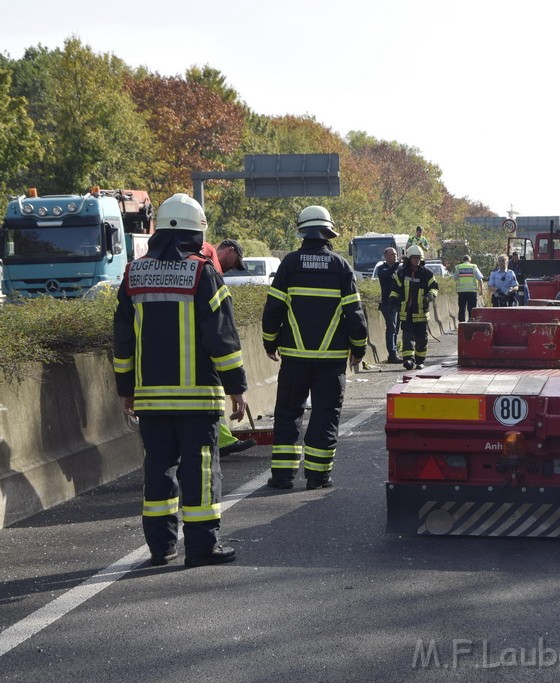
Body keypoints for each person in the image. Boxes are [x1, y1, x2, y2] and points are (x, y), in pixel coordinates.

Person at [113, 193, 247, 568]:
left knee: (158, 468)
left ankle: (161, 547)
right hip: (197, 398)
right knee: (201, 468)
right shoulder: (202, 272)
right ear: (196, 231)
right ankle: (202, 547)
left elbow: (123, 340)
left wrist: (126, 389)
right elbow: (222, 339)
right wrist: (236, 387)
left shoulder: (133, 272)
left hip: (151, 399)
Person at [262, 206, 368, 491]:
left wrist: (269, 343)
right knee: (325, 414)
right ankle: (317, 477)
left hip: (294, 359)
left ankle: (283, 477)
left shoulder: (289, 264)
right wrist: (359, 348)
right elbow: (355, 315)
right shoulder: (340, 266)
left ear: (303, 231)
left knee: (287, 413)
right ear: (328, 232)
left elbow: (273, 309)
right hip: (331, 362)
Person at [201, 238, 255, 456]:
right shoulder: (208, 260)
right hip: (200, 351)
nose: (233, 267)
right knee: (210, 395)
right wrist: (236, 388)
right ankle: (222, 442)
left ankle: (222, 440)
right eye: (235, 262)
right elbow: (222, 332)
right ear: (230, 250)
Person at [390, 244, 438, 369]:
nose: (416, 261)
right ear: (409, 259)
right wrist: (393, 299)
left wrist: (429, 296)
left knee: (422, 338)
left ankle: (420, 361)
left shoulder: (427, 273)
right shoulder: (401, 273)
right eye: (414, 258)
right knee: (407, 337)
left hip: (421, 311)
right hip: (406, 312)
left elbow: (434, 288)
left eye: (418, 258)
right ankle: (408, 360)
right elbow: (395, 288)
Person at [373, 247, 403, 363]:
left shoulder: (397, 269)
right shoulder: (382, 268)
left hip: (397, 303)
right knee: (391, 328)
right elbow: (386, 274)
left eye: (395, 254)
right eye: (392, 255)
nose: (395, 256)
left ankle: (394, 352)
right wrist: (397, 264)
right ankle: (392, 354)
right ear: (386, 256)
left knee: (396, 328)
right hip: (387, 304)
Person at [454, 254, 484, 322]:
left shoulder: (458, 267)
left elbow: (455, 278)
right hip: (472, 291)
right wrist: (481, 290)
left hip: (461, 291)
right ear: (469, 260)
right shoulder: (473, 267)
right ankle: (471, 321)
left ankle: (461, 322)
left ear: (462, 260)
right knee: (472, 308)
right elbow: (480, 279)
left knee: (462, 307)